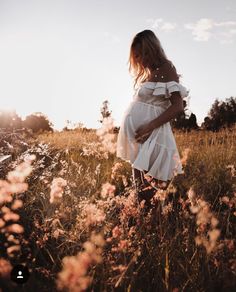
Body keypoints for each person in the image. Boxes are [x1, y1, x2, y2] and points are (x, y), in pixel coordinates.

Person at [116, 29, 189, 202]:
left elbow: (177, 106)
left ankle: (157, 226)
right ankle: (146, 226)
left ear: (154, 49)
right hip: (140, 138)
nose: (142, 59)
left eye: (144, 53)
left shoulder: (167, 68)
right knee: (140, 191)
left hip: (154, 136)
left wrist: (149, 127)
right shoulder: (149, 74)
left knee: (148, 194)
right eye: (138, 56)